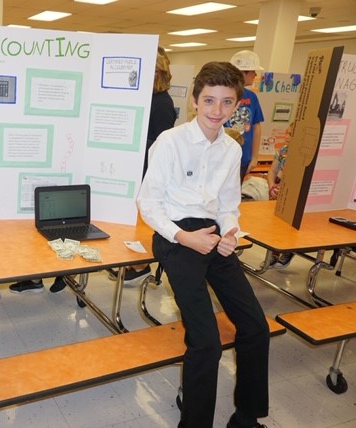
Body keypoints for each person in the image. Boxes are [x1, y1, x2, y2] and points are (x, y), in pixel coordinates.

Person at [138, 62, 270, 428]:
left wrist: (230, 233)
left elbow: (228, 205)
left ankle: (246, 415)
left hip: (213, 235)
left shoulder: (230, 149)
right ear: (195, 100)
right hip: (176, 236)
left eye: (226, 102)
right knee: (206, 342)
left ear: (236, 105)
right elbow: (149, 204)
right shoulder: (170, 142)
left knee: (256, 327)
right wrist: (184, 237)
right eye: (209, 100)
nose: (217, 110)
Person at [109, 46, 177, 285]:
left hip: (145, 172)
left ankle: (140, 265)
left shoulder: (162, 103)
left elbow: (157, 146)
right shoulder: (147, 99)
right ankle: (134, 261)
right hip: (135, 168)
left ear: (156, 73)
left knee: (139, 222)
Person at [225, 50, 265, 182]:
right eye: (253, 71)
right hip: (223, 156)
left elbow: (256, 126)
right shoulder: (224, 94)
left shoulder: (251, 97)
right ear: (242, 73)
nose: (255, 74)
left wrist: (254, 157)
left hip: (244, 158)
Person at [265, 125, 294, 269]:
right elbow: (272, 171)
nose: (287, 136)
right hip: (278, 191)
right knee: (274, 224)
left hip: (291, 193)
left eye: (291, 134)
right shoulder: (282, 151)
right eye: (287, 133)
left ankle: (288, 251)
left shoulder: (300, 155)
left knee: (288, 226)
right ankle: (273, 254)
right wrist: (271, 186)